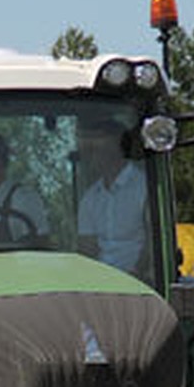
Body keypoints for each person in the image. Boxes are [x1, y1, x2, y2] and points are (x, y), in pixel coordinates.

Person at [76, 109, 148, 274]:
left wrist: (137, 273)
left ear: (117, 147)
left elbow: (154, 242)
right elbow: (87, 249)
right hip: (102, 282)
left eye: (97, 147)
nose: (91, 155)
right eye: (89, 150)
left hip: (141, 281)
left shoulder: (144, 188)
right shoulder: (90, 198)